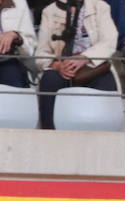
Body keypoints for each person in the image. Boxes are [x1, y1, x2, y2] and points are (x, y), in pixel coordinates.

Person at [34, 0, 119, 130]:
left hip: (93, 65)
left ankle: (105, 138)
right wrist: (57, 65)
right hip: (62, 66)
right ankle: (49, 135)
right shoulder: (50, 11)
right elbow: (41, 52)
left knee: (105, 82)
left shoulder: (100, 6)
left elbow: (109, 41)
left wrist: (84, 58)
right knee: (50, 80)